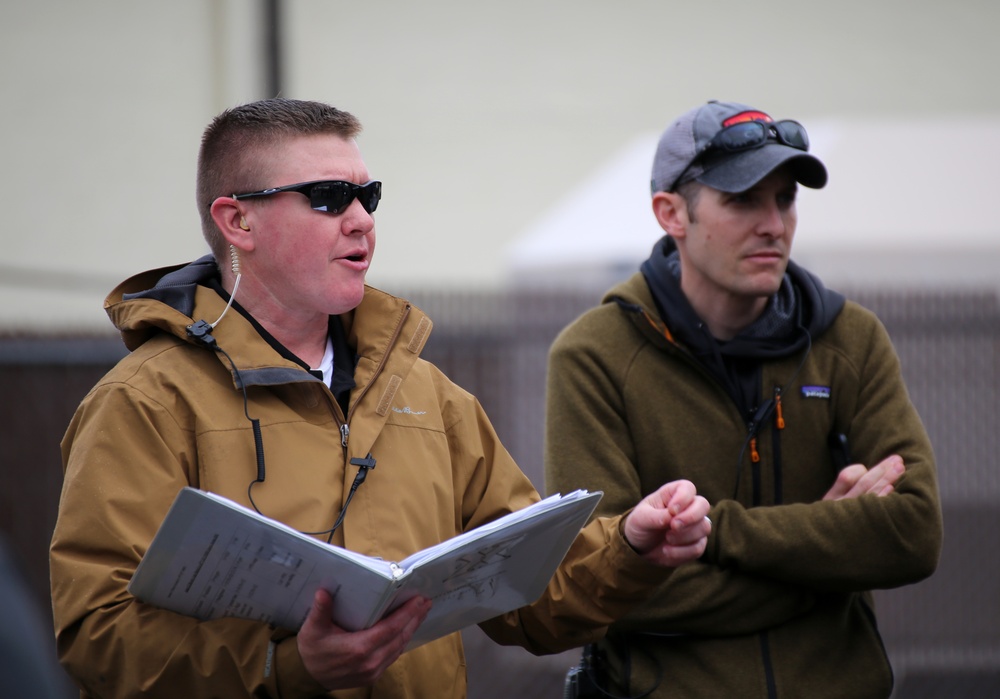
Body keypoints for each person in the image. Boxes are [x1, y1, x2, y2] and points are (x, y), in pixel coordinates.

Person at [48, 98, 712, 699]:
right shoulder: (143, 404)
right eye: (330, 197)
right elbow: (99, 639)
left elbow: (525, 592)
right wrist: (289, 665)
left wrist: (627, 548)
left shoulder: (427, 394)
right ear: (238, 220)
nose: (362, 219)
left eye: (369, 195)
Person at [544, 100, 943, 699]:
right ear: (670, 213)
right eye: (743, 200)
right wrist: (829, 550)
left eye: (785, 199)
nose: (773, 224)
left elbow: (913, 534)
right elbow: (608, 586)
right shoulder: (593, 356)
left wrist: (716, 536)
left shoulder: (851, 340)